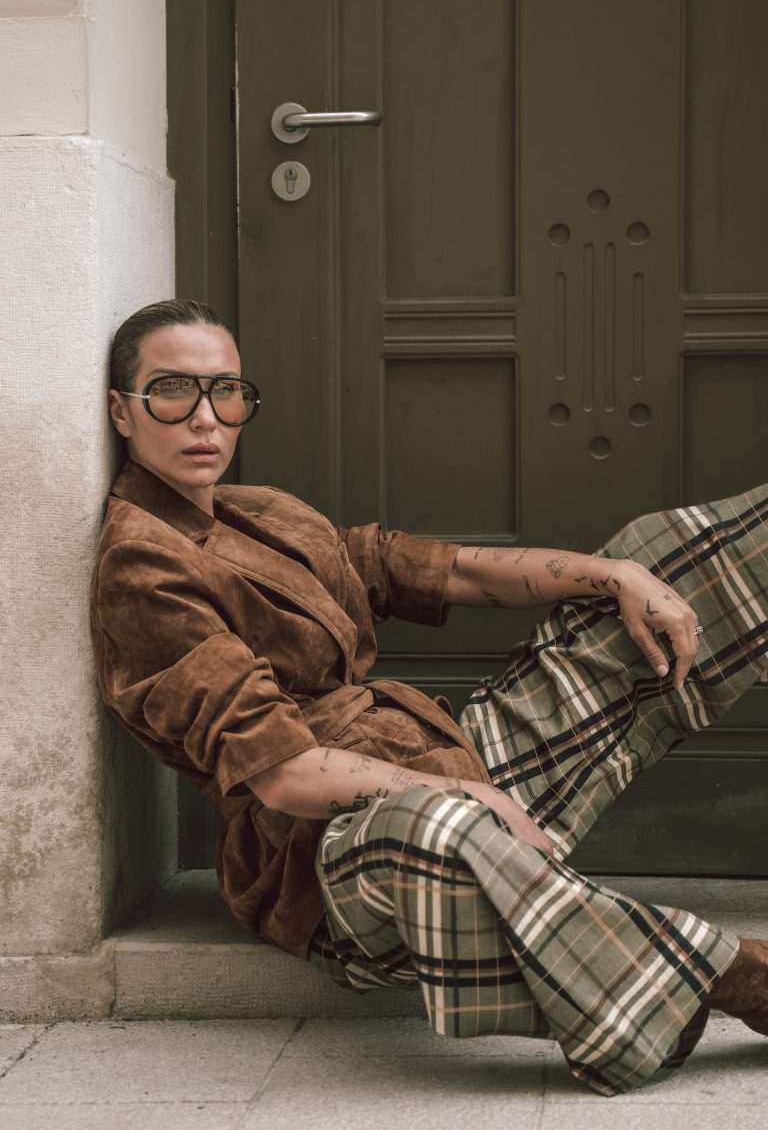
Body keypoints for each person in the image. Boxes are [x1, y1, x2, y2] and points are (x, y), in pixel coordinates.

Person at [90, 298, 768, 1099]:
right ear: (122, 412)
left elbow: (447, 571)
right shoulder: (143, 567)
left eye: (226, 391)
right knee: (440, 828)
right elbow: (284, 775)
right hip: (329, 857)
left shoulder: (261, 512)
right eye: (173, 391)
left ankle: (529, 881)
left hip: (445, 755)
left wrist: (615, 574)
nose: (206, 418)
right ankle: (739, 975)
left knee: (665, 556)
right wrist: (471, 799)